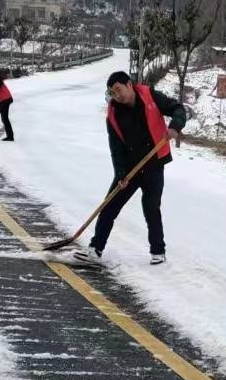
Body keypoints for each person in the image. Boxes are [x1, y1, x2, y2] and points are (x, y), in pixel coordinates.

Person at [72, 71, 188, 268]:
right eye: (113, 93)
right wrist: (120, 174)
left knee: (151, 207)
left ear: (129, 84)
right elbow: (115, 149)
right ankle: (95, 249)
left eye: (119, 90)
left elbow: (178, 108)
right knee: (110, 205)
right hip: (130, 167)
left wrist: (175, 126)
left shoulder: (150, 95)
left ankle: (158, 252)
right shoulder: (113, 114)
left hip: (153, 164)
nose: (117, 96)